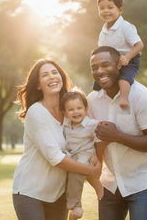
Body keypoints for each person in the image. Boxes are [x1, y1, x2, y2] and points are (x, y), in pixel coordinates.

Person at [12, 59, 101, 220]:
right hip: (30, 193)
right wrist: (92, 171)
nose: (52, 77)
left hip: (58, 194)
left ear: (61, 77)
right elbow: (56, 158)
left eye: (55, 72)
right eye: (45, 75)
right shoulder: (36, 112)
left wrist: (95, 156)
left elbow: (84, 142)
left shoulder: (71, 111)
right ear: (38, 85)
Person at [88, 46, 147, 220]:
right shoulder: (92, 100)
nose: (100, 71)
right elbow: (94, 140)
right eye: (94, 67)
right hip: (110, 183)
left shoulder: (141, 96)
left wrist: (117, 136)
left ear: (119, 66)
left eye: (106, 65)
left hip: (142, 183)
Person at [60, 90, 105, 220]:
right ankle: (76, 207)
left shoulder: (91, 124)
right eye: (71, 109)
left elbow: (99, 137)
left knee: (76, 172)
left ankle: (75, 205)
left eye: (79, 108)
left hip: (86, 154)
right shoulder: (65, 125)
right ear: (64, 113)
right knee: (68, 171)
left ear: (86, 109)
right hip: (71, 154)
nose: (76, 112)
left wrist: (97, 156)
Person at [94, 0, 144, 108]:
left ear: (120, 10)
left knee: (124, 79)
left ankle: (124, 99)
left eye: (110, 7)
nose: (106, 11)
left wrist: (127, 57)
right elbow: (102, 49)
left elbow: (139, 45)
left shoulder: (126, 27)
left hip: (130, 60)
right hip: (112, 62)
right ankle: (99, 99)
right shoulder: (103, 31)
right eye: (102, 8)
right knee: (98, 79)